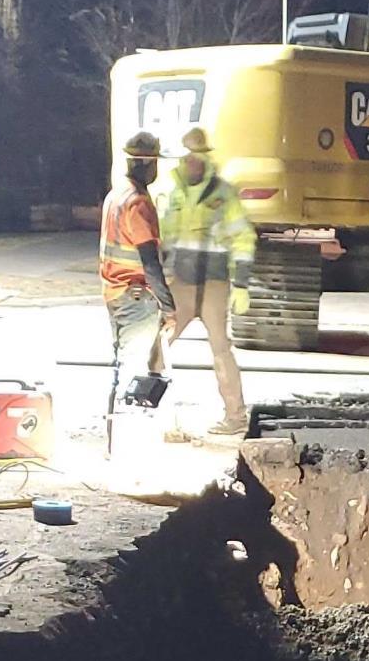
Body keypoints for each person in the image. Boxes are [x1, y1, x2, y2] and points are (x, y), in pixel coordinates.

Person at [156, 126, 256, 435]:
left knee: (220, 349)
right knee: (158, 345)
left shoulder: (223, 194)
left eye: (197, 157)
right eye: (188, 157)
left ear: (206, 159)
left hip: (213, 284)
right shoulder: (175, 193)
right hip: (182, 283)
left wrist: (241, 283)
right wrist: (160, 276)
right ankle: (147, 408)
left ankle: (235, 416)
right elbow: (165, 236)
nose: (192, 162)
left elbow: (243, 238)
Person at [100, 129, 177, 393]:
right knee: (133, 369)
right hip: (135, 295)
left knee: (122, 363)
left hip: (115, 292)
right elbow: (149, 261)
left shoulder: (116, 195)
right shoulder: (138, 203)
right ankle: (126, 414)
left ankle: (116, 413)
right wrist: (168, 307)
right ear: (146, 163)